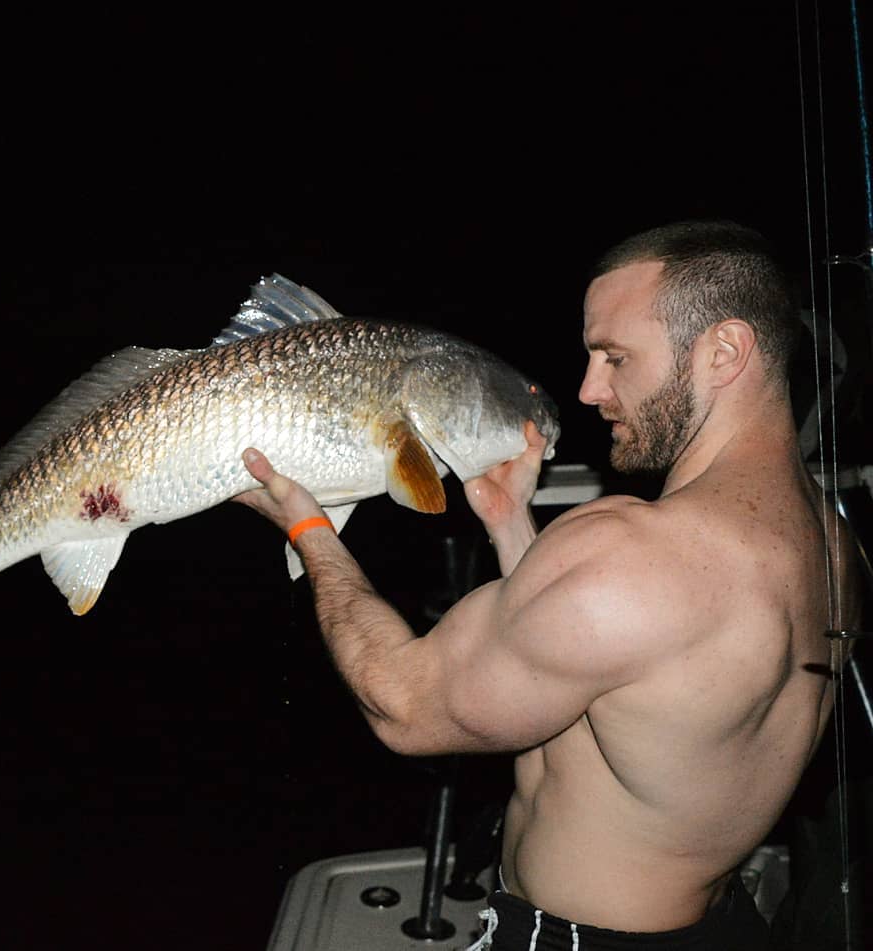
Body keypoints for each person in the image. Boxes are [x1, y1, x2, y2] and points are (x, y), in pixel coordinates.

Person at [235, 220, 862, 950]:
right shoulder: (832, 542)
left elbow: (402, 703)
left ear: (724, 351)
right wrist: (510, 525)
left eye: (615, 356)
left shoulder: (628, 553)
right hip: (719, 924)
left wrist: (308, 530)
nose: (590, 388)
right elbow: (626, 675)